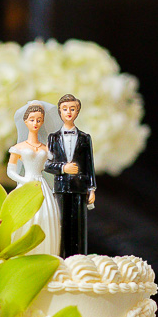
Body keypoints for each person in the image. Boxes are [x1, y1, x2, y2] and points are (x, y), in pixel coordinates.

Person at [6, 101, 61, 256]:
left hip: (42, 186)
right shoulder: (19, 148)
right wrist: (25, 182)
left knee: (47, 215)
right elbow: (10, 171)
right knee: (26, 216)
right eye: (32, 119)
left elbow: (53, 166)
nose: (35, 123)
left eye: (39, 120)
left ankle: (47, 253)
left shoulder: (46, 148)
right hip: (26, 184)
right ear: (25, 121)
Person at [44, 94, 96, 258]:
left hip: (80, 187)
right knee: (61, 225)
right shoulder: (53, 138)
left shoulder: (85, 138)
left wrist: (92, 188)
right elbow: (46, 165)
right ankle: (61, 258)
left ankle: (79, 259)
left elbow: (89, 164)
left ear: (77, 111)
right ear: (59, 112)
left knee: (79, 226)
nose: (68, 112)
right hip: (61, 187)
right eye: (65, 109)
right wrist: (63, 168)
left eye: (72, 109)